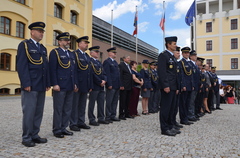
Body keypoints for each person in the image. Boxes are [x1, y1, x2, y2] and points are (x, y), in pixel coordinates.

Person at [17, 22, 50, 147]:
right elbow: (21, 65)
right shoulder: (24, 45)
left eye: (42, 31)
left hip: (41, 85)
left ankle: (35, 135)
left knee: (38, 112)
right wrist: (25, 83)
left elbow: (45, 67)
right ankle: (26, 137)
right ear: (32, 32)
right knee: (29, 112)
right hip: (30, 85)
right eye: (39, 31)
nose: (41, 33)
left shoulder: (42, 48)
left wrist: (47, 83)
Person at [49, 32, 78, 138]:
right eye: (66, 40)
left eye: (68, 40)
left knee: (67, 108)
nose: (68, 42)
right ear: (60, 42)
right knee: (58, 108)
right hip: (60, 85)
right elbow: (52, 69)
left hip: (70, 85)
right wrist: (54, 84)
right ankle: (57, 129)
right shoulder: (55, 52)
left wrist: (75, 83)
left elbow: (73, 70)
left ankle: (63, 127)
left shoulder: (71, 54)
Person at [157, 36, 180, 136]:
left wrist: (177, 87)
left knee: (172, 107)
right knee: (165, 108)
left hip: (173, 86)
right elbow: (162, 72)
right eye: (174, 44)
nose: (176, 45)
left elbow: (175, 74)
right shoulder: (163, 56)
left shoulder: (172, 57)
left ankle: (170, 126)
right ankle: (164, 128)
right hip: (167, 86)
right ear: (168, 44)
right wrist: (165, 85)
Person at [70, 36, 92, 131]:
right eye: (85, 42)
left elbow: (89, 72)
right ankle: (73, 123)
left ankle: (81, 121)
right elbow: (73, 70)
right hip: (78, 83)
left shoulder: (87, 56)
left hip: (85, 84)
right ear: (79, 44)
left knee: (82, 104)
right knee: (75, 105)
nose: (87, 44)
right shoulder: (74, 54)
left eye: (87, 43)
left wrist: (90, 85)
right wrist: (74, 83)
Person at [88, 46, 109, 126]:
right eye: (96, 52)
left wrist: (104, 80)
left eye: (98, 52)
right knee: (92, 103)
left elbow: (104, 73)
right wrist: (100, 81)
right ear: (91, 53)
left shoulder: (99, 62)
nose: (97, 53)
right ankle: (92, 119)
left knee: (101, 103)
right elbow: (92, 73)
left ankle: (101, 118)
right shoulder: (90, 61)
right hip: (94, 85)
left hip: (101, 85)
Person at [103, 47, 121, 122]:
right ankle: (108, 116)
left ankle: (113, 115)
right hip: (111, 84)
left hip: (116, 84)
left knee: (115, 101)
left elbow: (117, 74)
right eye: (114, 53)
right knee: (109, 101)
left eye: (115, 53)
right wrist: (109, 84)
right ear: (109, 53)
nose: (115, 54)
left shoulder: (115, 62)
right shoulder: (107, 62)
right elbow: (107, 74)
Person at [179, 47, 194, 125]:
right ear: (182, 54)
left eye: (188, 53)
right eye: (185, 53)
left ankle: (186, 117)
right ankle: (183, 119)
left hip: (189, 86)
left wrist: (192, 85)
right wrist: (183, 85)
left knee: (188, 103)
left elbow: (191, 75)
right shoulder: (181, 62)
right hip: (184, 86)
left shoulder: (189, 63)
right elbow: (181, 75)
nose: (187, 54)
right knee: (183, 103)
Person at [172, 46, 183, 129]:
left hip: (177, 88)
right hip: (173, 88)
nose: (179, 54)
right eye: (177, 52)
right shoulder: (174, 63)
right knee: (172, 107)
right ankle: (171, 122)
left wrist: (179, 87)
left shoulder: (178, 63)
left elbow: (179, 77)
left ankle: (174, 121)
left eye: (179, 53)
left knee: (175, 106)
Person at [119, 55, 133, 119]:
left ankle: (127, 113)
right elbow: (120, 75)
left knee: (128, 100)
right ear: (124, 59)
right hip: (124, 86)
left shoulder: (129, 66)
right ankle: (121, 114)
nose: (129, 59)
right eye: (128, 58)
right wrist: (121, 85)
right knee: (123, 101)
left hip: (129, 85)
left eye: (129, 58)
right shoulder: (121, 65)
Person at [188, 50, 201, 121]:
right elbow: (191, 76)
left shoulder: (195, 65)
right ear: (191, 56)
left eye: (195, 55)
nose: (195, 57)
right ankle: (190, 115)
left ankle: (193, 114)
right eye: (194, 55)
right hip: (192, 86)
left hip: (196, 86)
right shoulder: (190, 64)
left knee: (194, 101)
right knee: (191, 101)